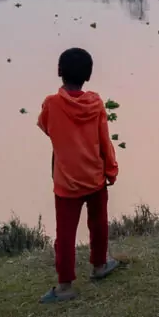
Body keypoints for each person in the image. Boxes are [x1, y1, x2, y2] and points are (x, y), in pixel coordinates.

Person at [37, 47, 120, 302]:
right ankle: (98, 265)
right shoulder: (96, 102)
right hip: (95, 178)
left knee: (65, 235)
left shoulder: (52, 104)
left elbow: (45, 126)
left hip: (66, 184)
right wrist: (111, 169)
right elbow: (105, 141)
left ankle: (65, 287)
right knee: (98, 225)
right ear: (89, 75)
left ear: (59, 72)